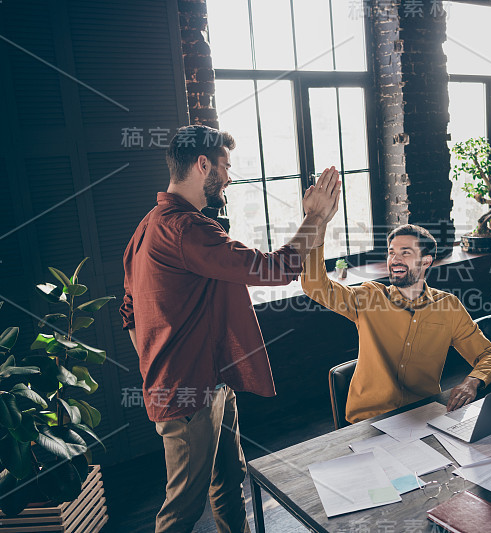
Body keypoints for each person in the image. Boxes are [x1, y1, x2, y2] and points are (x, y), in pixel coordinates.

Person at [119, 125, 340, 533]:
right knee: (182, 509)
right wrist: (315, 216)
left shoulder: (150, 223)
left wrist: (155, 364)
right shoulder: (187, 228)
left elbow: (129, 312)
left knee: (229, 480)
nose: (230, 177)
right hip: (188, 394)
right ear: (203, 165)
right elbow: (275, 268)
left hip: (211, 382)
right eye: (226, 166)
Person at [301, 223, 491, 423]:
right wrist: (317, 223)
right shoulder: (369, 298)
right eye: (391, 253)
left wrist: (473, 381)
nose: (395, 259)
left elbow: (490, 355)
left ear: (426, 261)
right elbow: (315, 285)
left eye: (405, 253)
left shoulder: (448, 307)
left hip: (424, 416)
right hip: (369, 421)